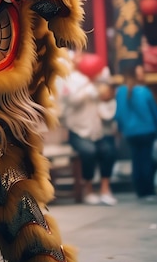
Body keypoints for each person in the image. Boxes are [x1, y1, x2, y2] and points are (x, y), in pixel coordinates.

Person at [57, 52, 118, 205]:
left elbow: (108, 100)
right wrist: (89, 86)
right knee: (88, 152)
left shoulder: (101, 76)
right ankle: (88, 189)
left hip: (97, 130)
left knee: (109, 150)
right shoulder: (69, 79)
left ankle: (105, 188)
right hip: (78, 130)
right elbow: (71, 100)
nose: (78, 58)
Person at [114, 65, 157, 200]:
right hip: (147, 130)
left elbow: (119, 113)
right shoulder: (145, 91)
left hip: (130, 132)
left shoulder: (120, 91)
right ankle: (148, 191)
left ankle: (139, 190)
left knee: (136, 160)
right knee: (146, 160)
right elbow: (154, 112)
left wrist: (121, 129)